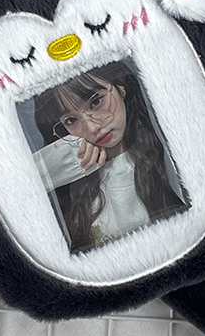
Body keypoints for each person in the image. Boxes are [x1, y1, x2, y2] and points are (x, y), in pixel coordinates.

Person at [32, 61, 187, 253]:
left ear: (121, 87)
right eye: (71, 120)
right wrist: (56, 164)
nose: (92, 127)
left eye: (96, 102)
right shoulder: (76, 175)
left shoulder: (170, 150)